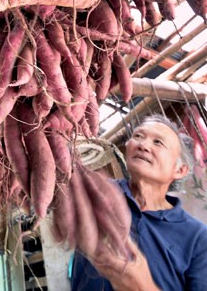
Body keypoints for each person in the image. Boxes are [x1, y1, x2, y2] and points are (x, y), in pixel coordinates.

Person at [70, 114, 207, 291]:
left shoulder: (197, 237)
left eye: (158, 142)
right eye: (138, 136)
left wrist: (143, 287)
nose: (143, 145)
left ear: (179, 170)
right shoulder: (98, 192)